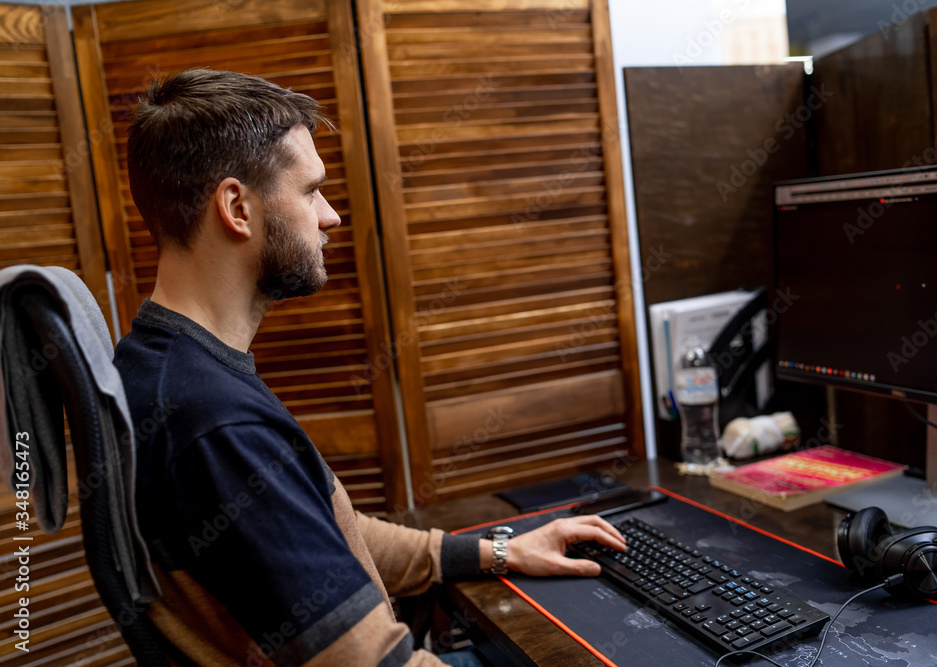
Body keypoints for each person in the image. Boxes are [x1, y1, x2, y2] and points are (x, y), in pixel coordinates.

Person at [113, 68, 626, 666]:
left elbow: (328, 537)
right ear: (236, 207)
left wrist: (499, 550)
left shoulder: (164, 366)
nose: (329, 216)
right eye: (310, 191)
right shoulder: (212, 422)